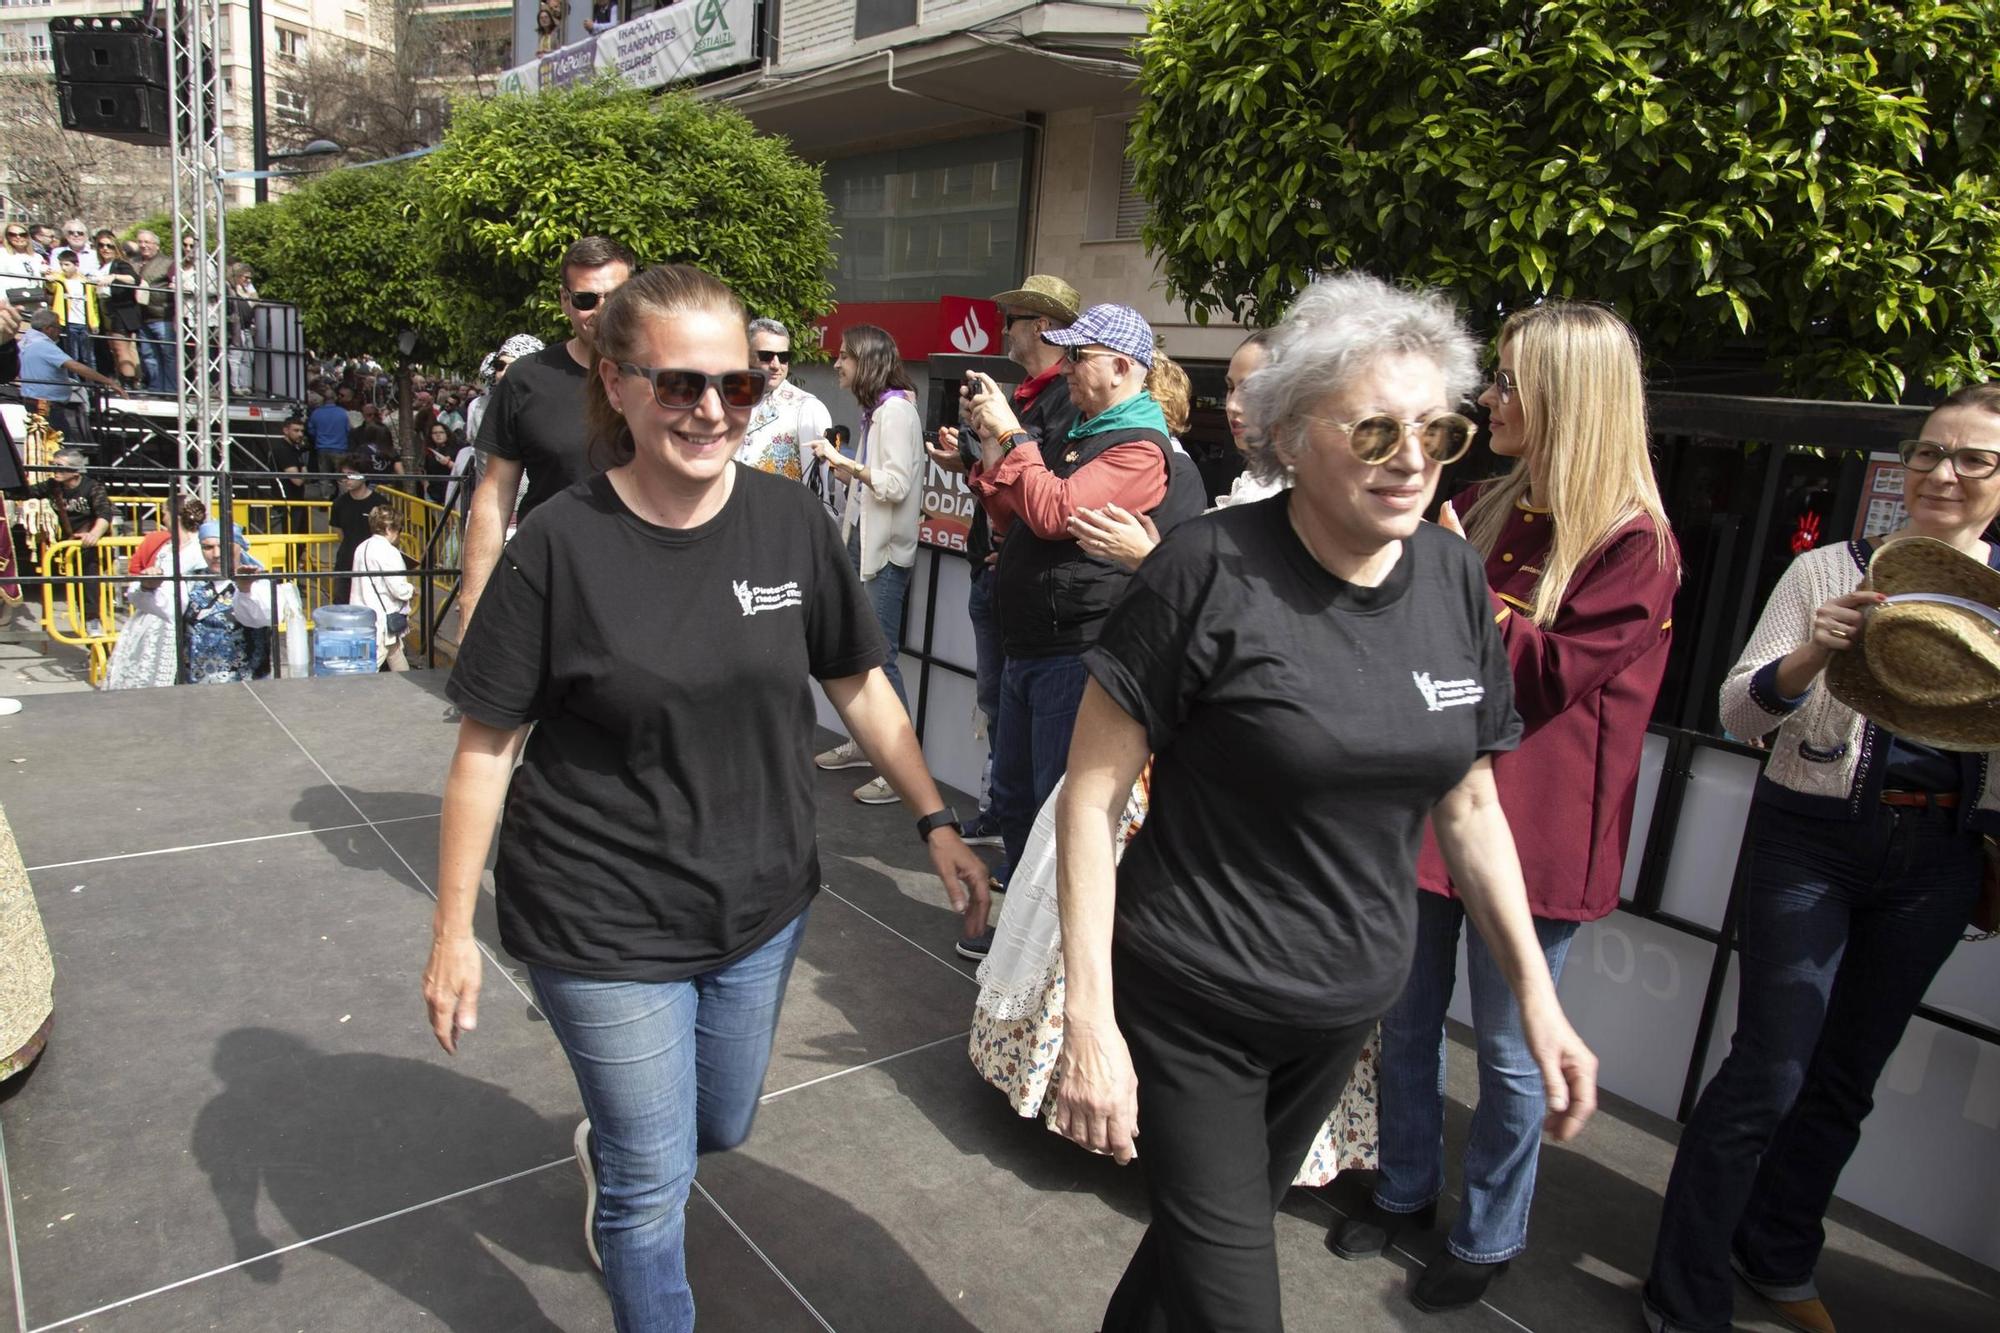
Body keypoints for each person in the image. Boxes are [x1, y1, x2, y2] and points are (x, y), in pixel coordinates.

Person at [424, 264, 990, 1330]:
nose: (710, 409)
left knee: (715, 1129)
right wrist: (454, 928)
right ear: (618, 383)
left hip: (759, 902)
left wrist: (934, 819)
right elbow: (486, 749)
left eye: (733, 385)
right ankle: (630, 1187)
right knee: (650, 1185)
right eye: (679, 384)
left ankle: (619, 1137)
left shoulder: (786, 525)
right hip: (597, 913)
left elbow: (858, 681)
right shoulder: (560, 544)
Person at [1049, 272, 1598, 1331]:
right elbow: (1088, 798)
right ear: (1292, 435)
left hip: (1339, 1007)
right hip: (1193, 997)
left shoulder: (1448, 576)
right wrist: (1088, 1022)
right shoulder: (1202, 570)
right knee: (1234, 1297)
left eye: (1437, 430)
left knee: (1199, 1251)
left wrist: (1535, 998)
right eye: (1376, 431)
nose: (1414, 460)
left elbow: (1469, 801)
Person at [1328, 300, 1681, 1312]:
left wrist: (1449, 586)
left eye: (1509, 381)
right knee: (1400, 1023)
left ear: (1568, 396)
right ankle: (1400, 1189)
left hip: (1531, 835)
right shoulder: (1479, 500)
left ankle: (1488, 1234)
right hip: (1436, 805)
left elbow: (1540, 680)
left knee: (1512, 1054)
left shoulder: (1634, 543)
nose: (1488, 398)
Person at [1643, 383, 2000, 1333]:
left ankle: (1777, 1251)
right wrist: (1809, 659)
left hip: (1937, 852)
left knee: (1848, 1079)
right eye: (1929, 452)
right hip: (1812, 835)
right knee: (1769, 1069)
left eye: (1974, 458)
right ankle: (1682, 1296)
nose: (1944, 474)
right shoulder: (1827, 572)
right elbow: (1737, 709)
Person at [956, 303, 1204, 958]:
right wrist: (992, 450)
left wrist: (1014, 441)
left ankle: (1054, 960)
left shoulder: (1140, 448)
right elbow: (1016, 518)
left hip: (1076, 654)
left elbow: (1054, 512)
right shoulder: (1085, 434)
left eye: (1078, 357)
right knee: (1014, 796)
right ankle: (1023, 940)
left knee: (1054, 812)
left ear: (1123, 367)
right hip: (1033, 646)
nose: (1065, 369)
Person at [929, 275, 1085, 854]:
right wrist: (968, 460)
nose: (1004, 331)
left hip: (1036, 599)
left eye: (1012, 321)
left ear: (1041, 325)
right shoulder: (1025, 396)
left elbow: (1046, 493)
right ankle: (1002, 819)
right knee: (998, 708)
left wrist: (1008, 522)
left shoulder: (1063, 402)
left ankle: (1017, 854)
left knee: (1028, 743)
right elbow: (1006, 483)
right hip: (998, 574)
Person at [463, 236, 634, 629]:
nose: (602, 310)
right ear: (564, 300)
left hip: (644, 587)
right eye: (587, 299)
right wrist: (472, 606)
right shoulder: (527, 379)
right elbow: (494, 494)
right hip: (548, 590)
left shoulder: (667, 378)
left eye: (616, 296)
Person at [810, 325, 924, 805]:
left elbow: (895, 486)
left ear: (868, 362)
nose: (837, 364)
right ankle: (866, 743)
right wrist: (850, 466)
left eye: (844, 356)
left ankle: (898, 769)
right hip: (864, 548)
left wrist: (845, 461)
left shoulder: (895, 412)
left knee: (881, 657)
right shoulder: (880, 412)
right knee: (864, 653)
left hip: (883, 556)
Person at [129, 519, 275, 683]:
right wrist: (148, 586)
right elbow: (162, 605)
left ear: (239, 547)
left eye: (223, 546)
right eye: (208, 547)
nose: (216, 554)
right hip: (196, 689)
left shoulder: (260, 582)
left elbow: (263, 617)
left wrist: (245, 589)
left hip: (247, 687)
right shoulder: (188, 581)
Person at [9, 445, 116, 635]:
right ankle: (91, 648)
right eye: (52, 465)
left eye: (59, 466)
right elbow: (24, 493)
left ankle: (97, 637)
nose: (54, 470)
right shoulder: (53, 486)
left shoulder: (92, 487)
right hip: (72, 547)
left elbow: (104, 513)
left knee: (91, 594)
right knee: (78, 596)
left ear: (75, 471)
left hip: (94, 547)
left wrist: (94, 534)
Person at [105, 493, 206, 690]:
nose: (163, 519)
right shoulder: (168, 546)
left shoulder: (196, 548)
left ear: (175, 516)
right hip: (153, 613)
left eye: (165, 513)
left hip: (177, 615)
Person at [735, 317, 832, 481]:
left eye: (784, 356)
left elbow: (818, 481)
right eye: (766, 356)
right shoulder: (725, 400)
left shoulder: (807, 408)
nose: (776, 364)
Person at [15, 308, 118, 444]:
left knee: (41, 442)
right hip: (46, 405)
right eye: (58, 327)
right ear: (48, 329)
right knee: (59, 445)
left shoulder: (23, 343)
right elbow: (75, 366)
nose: (60, 332)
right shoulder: (44, 346)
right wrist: (108, 382)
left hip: (30, 401)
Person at [350, 506, 413, 672]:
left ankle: (407, 687)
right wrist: (412, 589)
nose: (398, 534)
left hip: (361, 613)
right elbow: (399, 589)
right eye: (398, 529)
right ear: (388, 529)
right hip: (382, 618)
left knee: (394, 651)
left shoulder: (361, 547)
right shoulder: (389, 552)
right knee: (372, 663)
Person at [329, 453, 386, 604]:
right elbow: (339, 532)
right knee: (341, 606)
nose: (347, 479)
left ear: (364, 475)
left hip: (373, 564)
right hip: (346, 563)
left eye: (352, 474)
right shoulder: (339, 504)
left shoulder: (379, 503)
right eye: (344, 475)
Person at [92, 234, 141, 387]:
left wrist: (113, 277)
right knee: (113, 348)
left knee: (121, 348)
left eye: (109, 246)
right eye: (101, 245)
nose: (105, 249)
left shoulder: (119, 264)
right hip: (104, 309)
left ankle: (130, 384)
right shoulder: (99, 266)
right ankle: (122, 381)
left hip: (120, 311)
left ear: (116, 248)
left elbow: (135, 279)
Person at [133, 230, 176, 393]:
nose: (143, 245)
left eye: (147, 242)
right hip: (142, 317)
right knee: (148, 355)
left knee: (168, 355)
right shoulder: (134, 262)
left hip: (162, 316)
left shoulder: (168, 263)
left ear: (156, 245)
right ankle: (156, 388)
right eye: (140, 242)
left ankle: (171, 390)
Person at [47, 250, 99, 367]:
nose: (63, 268)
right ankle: (73, 383)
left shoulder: (86, 282)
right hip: (68, 322)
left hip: (84, 322)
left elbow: (92, 304)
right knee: (72, 356)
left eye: (67, 264)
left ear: (76, 265)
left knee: (88, 357)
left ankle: (91, 383)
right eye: (61, 264)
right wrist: (48, 280)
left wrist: (94, 322)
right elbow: (51, 287)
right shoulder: (59, 279)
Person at [268, 413, 311, 533]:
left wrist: (303, 471)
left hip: (296, 500)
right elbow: (297, 480)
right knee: (293, 536)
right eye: (296, 430)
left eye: (302, 431)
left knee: (301, 537)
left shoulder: (294, 449)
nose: (300, 434)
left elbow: (303, 475)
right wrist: (303, 471)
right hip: (288, 500)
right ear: (286, 430)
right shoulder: (283, 450)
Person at [308, 381, 351, 463]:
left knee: (325, 475)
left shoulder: (316, 413)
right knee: (339, 474)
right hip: (340, 448)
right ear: (335, 398)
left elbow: (311, 431)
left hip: (322, 448)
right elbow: (349, 430)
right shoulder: (344, 413)